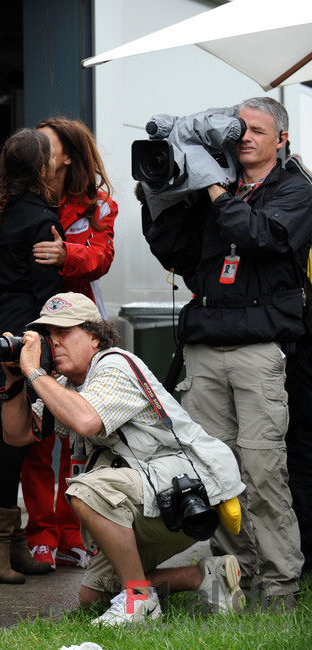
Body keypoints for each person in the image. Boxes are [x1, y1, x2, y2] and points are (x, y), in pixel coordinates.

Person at [142, 96, 311, 602]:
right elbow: (172, 249)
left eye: (257, 130)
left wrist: (210, 182)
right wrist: (163, 191)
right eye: (238, 130)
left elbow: (257, 234)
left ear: (281, 139)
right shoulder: (212, 189)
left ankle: (279, 584)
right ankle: (236, 576)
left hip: (260, 349)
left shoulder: (296, 189)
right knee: (217, 472)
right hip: (205, 345)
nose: (245, 138)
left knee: (263, 471)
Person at [2, 292, 247, 626]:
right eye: (49, 335)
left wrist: (33, 371)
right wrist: (15, 379)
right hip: (154, 496)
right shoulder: (68, 386)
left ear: (94, 335)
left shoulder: (114, 364)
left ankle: (140, 600)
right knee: (94, 595)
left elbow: (86, 421)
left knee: (86, 490)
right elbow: (16, 436)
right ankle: (203, 576)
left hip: (187, 497)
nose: (53, 342)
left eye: (64, 332)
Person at [20, 118, 118, 570]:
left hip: (77, 332)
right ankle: (39, 532)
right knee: (37, 436)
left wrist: (67, 255)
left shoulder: (98, 205)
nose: (37, 150)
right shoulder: (17, 199)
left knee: (76, 438)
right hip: (31, 325)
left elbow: (101, 257)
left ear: (67, 156)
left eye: (47, 144)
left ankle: (71, 531)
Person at [0, 129, 63, 585]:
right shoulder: (43, 219)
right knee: (13, 441)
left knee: (11, 440)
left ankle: (10, 539)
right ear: (43, 168)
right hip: (24, 333)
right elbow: (46, 294)